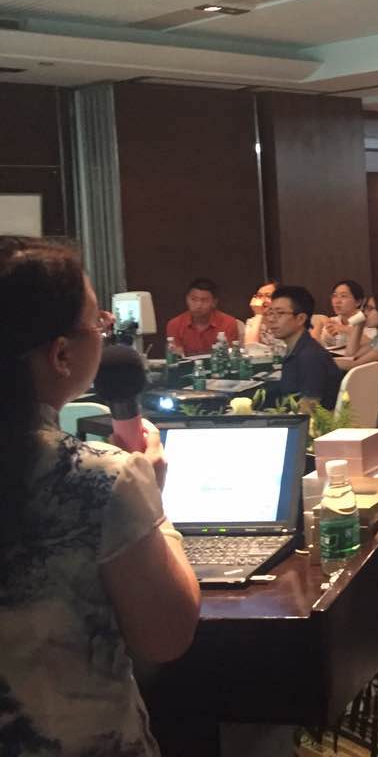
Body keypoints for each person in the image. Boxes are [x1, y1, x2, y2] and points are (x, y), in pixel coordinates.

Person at [0, 237, 200, 755]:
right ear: (61, 354)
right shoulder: (100, 478)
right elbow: (166, 636)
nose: (106, 332)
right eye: (98, 324)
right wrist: (152, 498)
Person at [268, 285, 344, 411]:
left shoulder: (310, 356)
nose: (271, 319)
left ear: (301, 319)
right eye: (270, 313)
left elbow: (308, 409)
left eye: (280, 313)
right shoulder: (298, 349)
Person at [165, 277, 240, 355]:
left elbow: (229, 356)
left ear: (214, 302)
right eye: (193, 299)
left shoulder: (228, 323)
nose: (198, 305)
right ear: (187, 299)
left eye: (204, 300)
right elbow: (175, 357)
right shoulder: (174, 325)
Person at [338, 291, 378, 371]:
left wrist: (324, 360)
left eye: (370, 309)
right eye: (365, 308)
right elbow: (352, 355)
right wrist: (359, 324)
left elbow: (354, 365)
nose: (365, 313)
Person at [312, 279, 369, 352]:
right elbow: (317, 348)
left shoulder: (368, 320)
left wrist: (344, 329)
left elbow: (374, 345)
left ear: (358, 302)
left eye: (343, 296)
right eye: (334, 296)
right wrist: (320, 323)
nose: (337, 301)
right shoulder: (334, 321)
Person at [242, 278, 279, 347]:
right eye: (259, 296)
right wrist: (258, 315)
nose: (263, 300)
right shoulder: (252, 322)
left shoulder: (283, 320)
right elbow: (250, 347)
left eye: (268, 296)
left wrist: (258, 314)